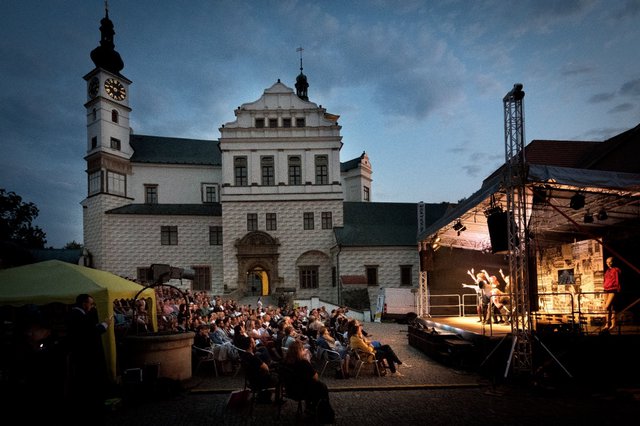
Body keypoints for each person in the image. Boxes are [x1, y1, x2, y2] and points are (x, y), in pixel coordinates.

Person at [66, 293, 113, 418]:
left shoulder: (78, 315)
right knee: (86, 378)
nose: (92, 307)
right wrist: (105, 324)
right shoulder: (78, 316)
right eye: (91, 304)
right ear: (84, 303)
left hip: (82, 352)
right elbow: (90, 333)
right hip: (85, 353)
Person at [280, 340, 335, 423]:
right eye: (302, 349)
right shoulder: (303, 363)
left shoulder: (284, 362)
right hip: (301, 392)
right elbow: (315, 377)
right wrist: (307, 360)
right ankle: (322, 412)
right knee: (321, 386)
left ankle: (311, 408)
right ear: (299, 351)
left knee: (316, 385)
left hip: (289, 390)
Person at [603, 256, 622, 332]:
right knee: (609, 308)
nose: (608, 263)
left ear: (613, 262)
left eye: (610, 262)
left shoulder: (616, 270)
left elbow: (617, 280)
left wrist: (618, 289)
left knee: (607, 306)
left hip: (613, 289)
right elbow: (606, 280)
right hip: (606, 289)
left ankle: (613, 324)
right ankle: (608, 324)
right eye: (607, 262)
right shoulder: (607, 271)